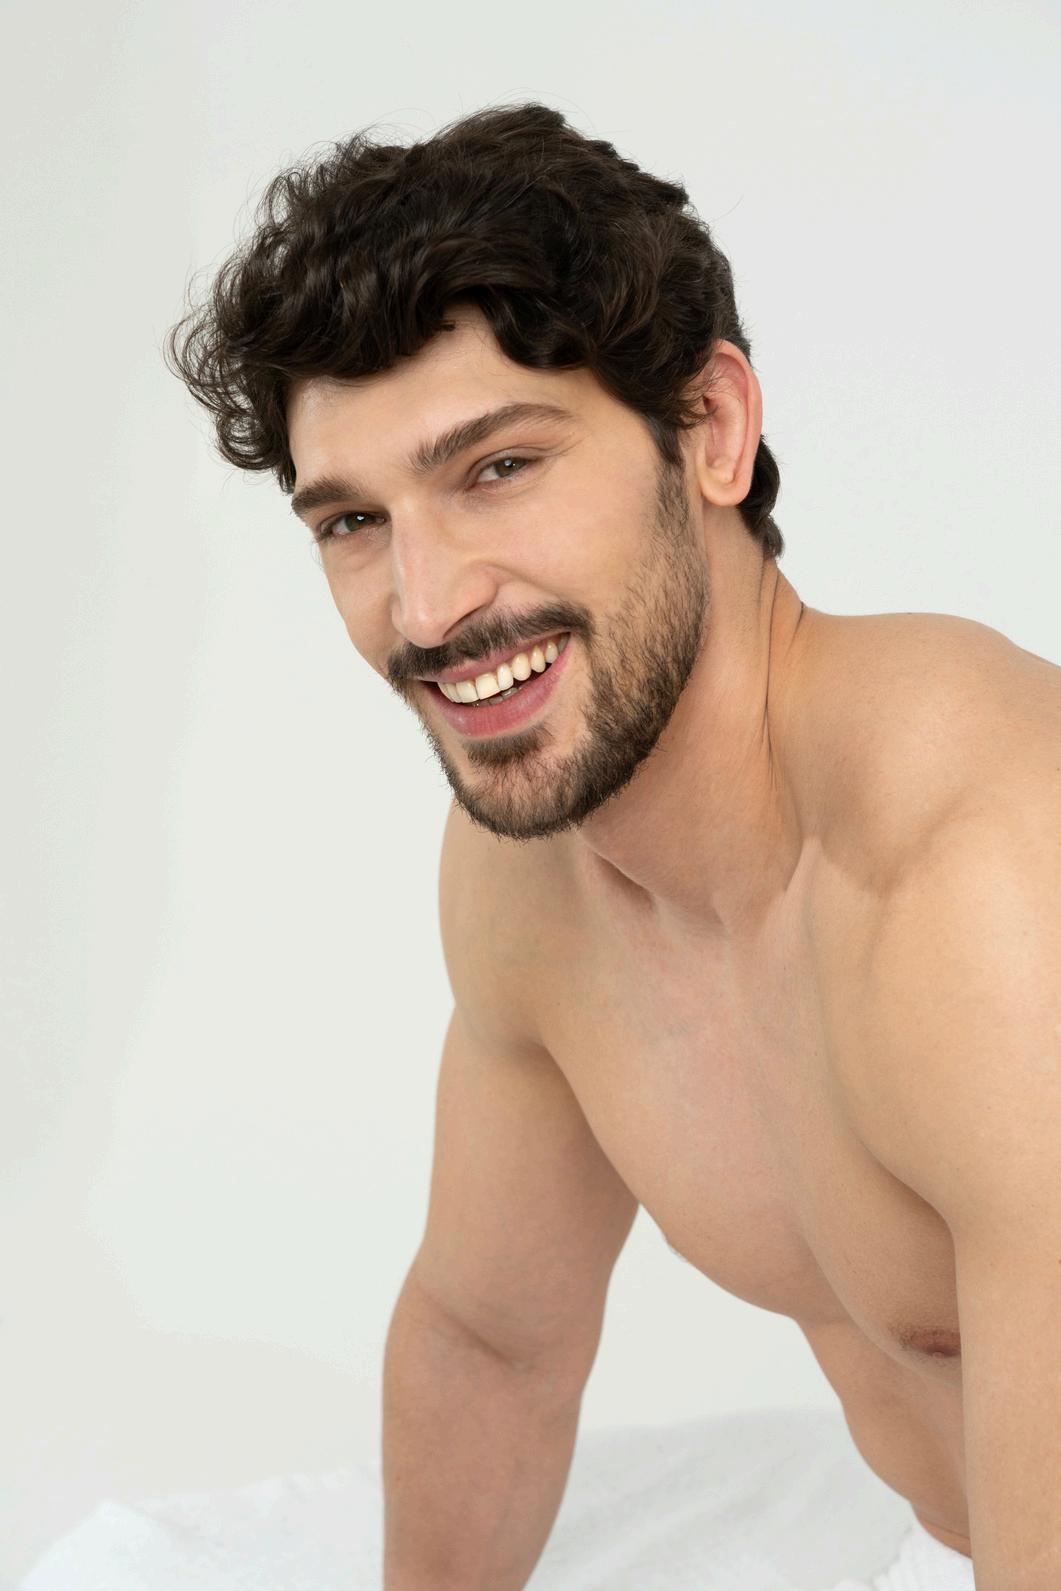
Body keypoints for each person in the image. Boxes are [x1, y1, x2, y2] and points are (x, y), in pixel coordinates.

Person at [165, 102, 1060, 1591]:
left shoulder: (985, 879)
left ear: (708, 430)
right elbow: (491, 1343)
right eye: (353, 523)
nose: (428, 606)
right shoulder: (536, 877)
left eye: (496, 468)